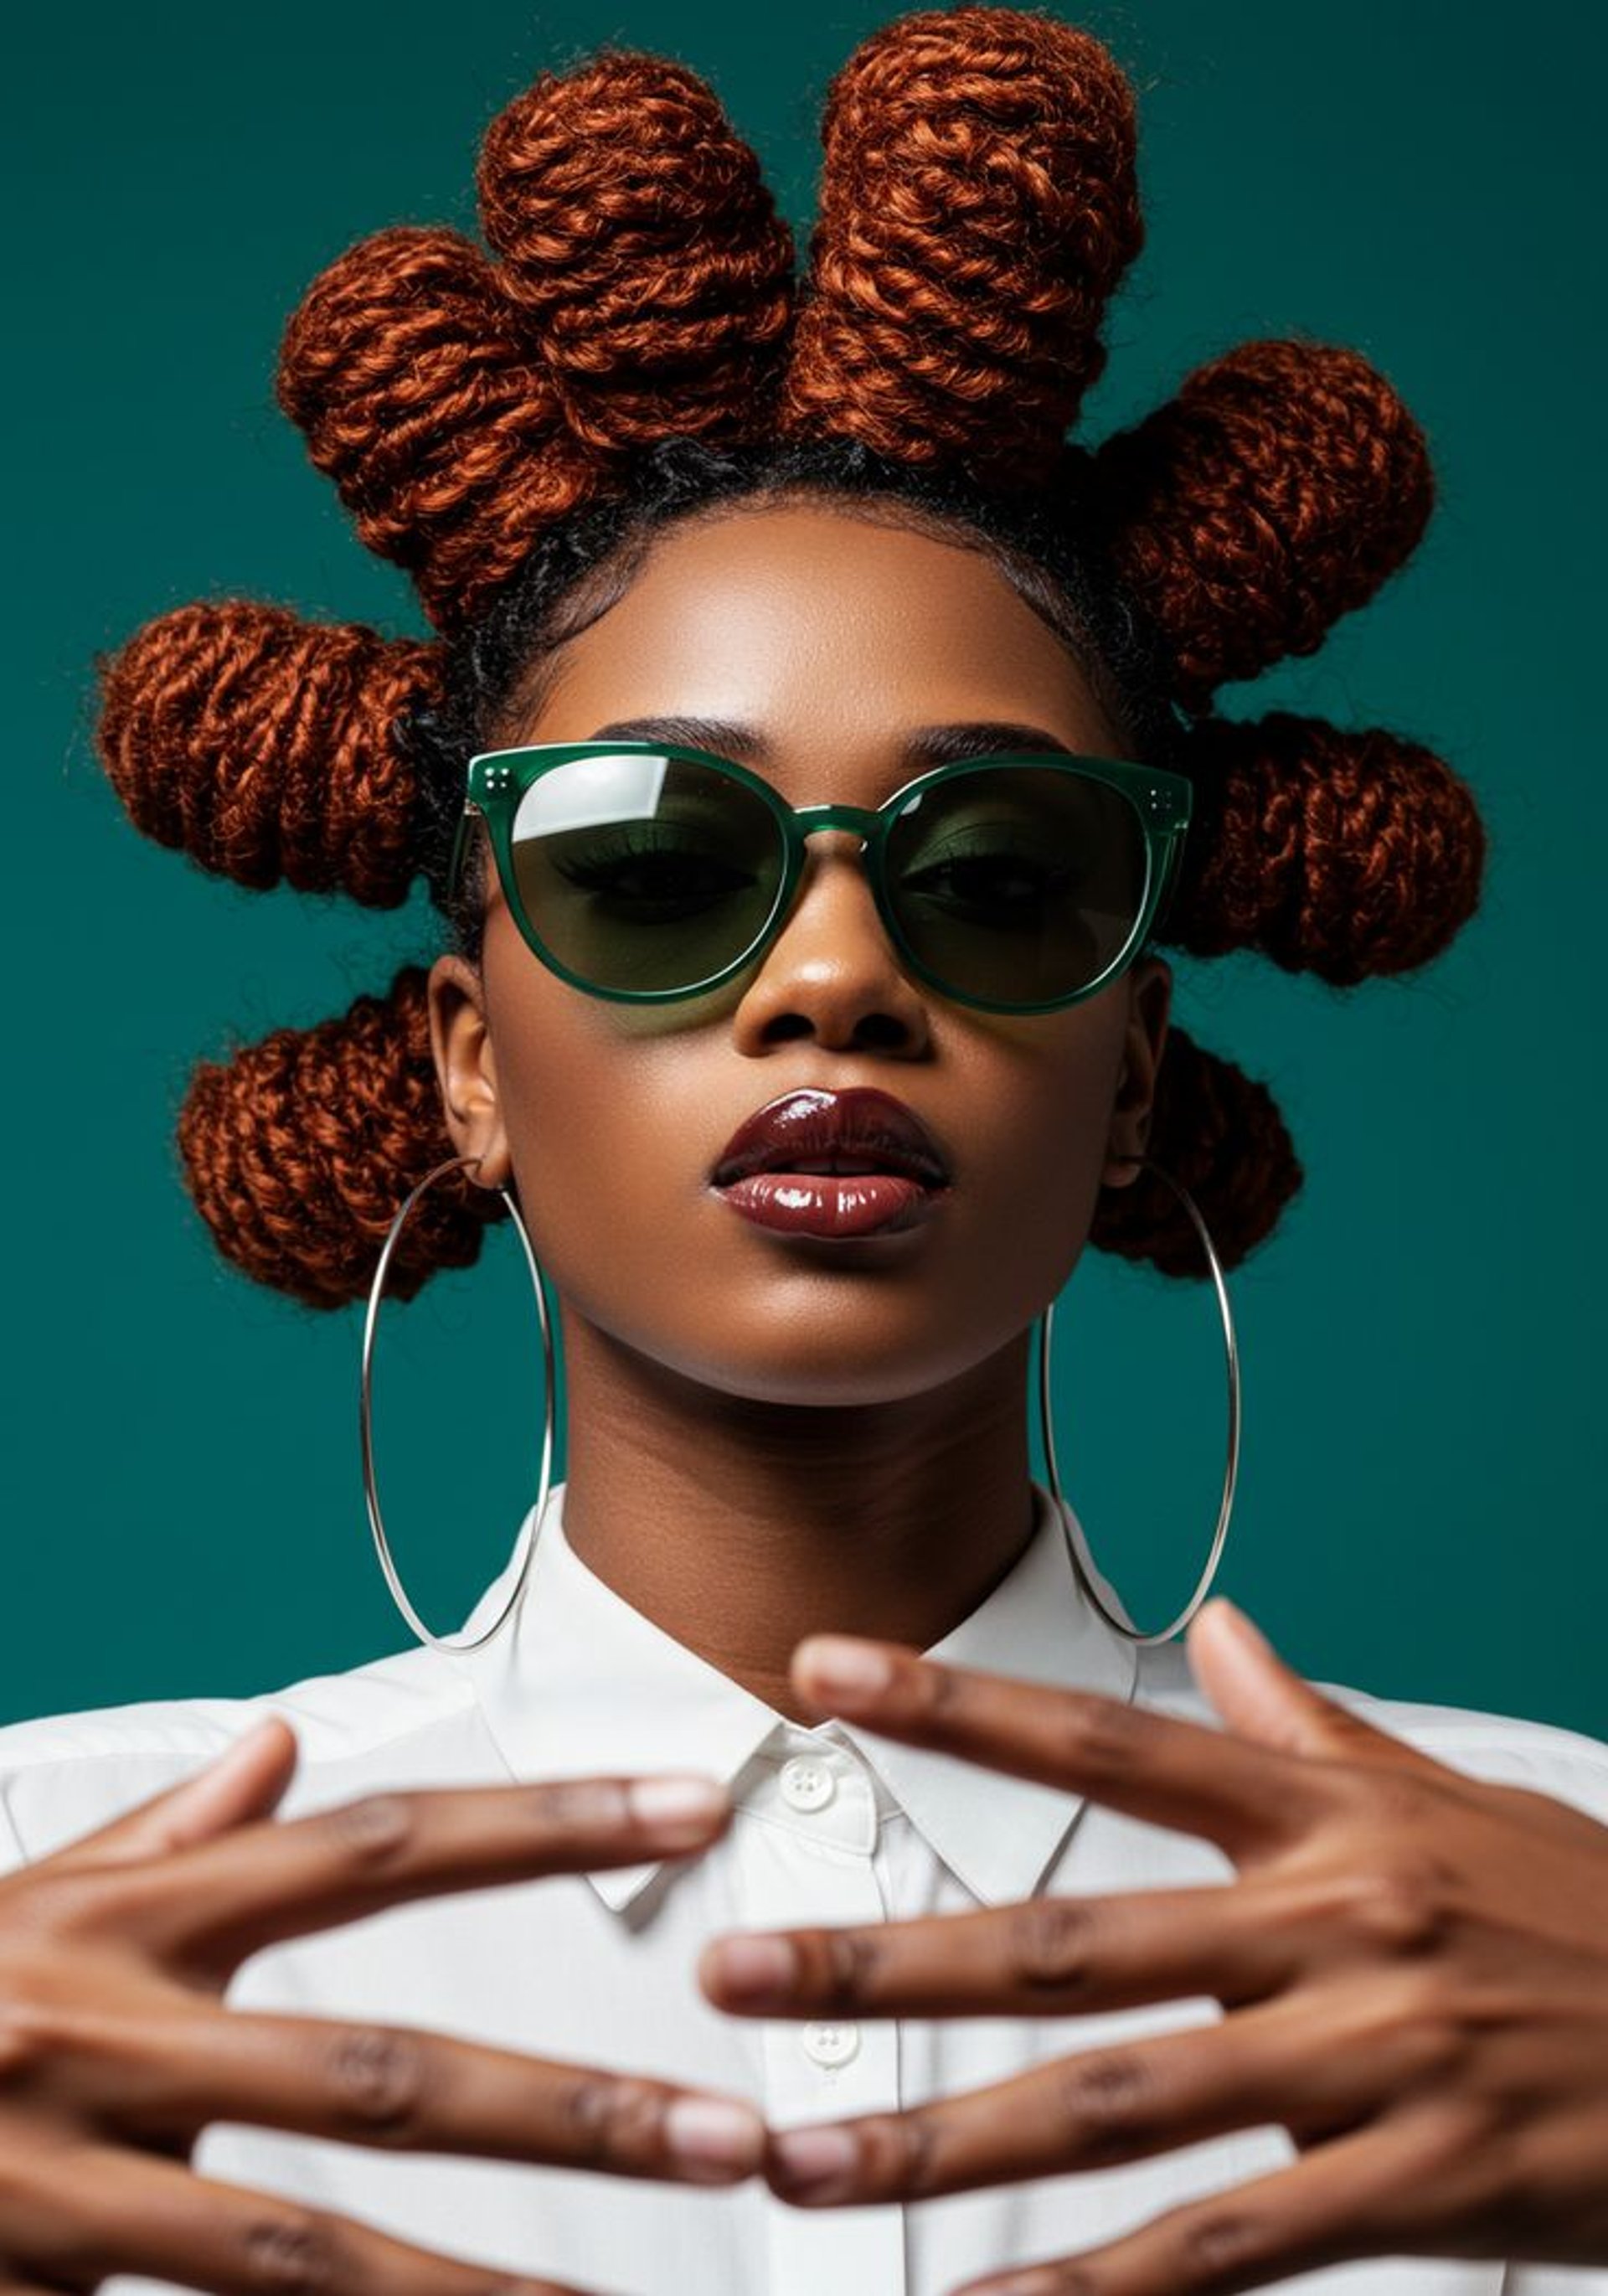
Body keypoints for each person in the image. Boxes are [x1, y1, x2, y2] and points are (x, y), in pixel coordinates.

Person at [3, 9, 1605, 2293]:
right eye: (656, 864)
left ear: (1135, 1070)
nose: (835, 976)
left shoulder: (1562, 1903)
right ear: (465, 1065)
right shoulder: (45, 1906)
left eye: (999, 868)